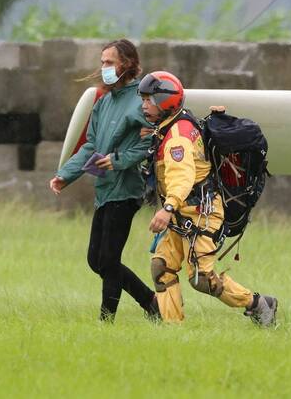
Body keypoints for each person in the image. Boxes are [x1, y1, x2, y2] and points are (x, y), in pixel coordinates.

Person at [137, 70, 278, 326]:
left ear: (166, 101)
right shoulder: (173, 125)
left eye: (149, 99)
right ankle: (172, 328)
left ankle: (258, 304)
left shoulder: (177, 137)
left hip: (201, 212)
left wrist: (167, 208)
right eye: (143, 99)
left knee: (202, 278)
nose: (144, 105)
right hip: (183, 214)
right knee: (162, 267)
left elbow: (182, 177)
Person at [49, 39, 158, 322]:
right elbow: (91, 145)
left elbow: (153, 143)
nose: (104, 68)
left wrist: (120, 159)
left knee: (108, 260)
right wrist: (65, 174)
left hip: (127, 190)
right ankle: (151, 301)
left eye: (109, 62)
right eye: (102, 63)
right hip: (105, 189)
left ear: (128, 64)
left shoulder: (141, 101)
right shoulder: (103, 103)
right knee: (95, 260)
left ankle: (106, 320)